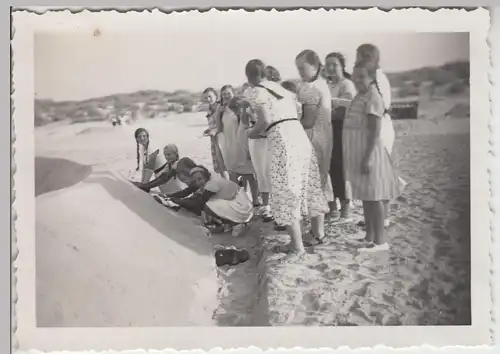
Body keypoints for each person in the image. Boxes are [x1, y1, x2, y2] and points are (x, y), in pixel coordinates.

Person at [244, 59, 329, 258]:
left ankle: (296, 245)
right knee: (309, 184)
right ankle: (318, 233)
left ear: (250, 77)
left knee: (287, 187)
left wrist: (251, 133)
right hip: (298, 134)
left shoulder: (257, 91)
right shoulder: (284, 90)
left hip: (282, 138)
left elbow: (264, 120)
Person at [342, 60, 403, 252]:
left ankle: (380, 241)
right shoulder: (360, 95)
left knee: (375, 197)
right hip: (358, 151)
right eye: (355, 76)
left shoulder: (373, 96)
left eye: (362, 76)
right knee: (366, 197)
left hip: (370, 153)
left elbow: (375, 130)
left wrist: (368, 157)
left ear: (371, 77)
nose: (358, 80)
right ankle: (369, 236)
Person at [356, 43, 407, 227]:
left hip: (379, 125)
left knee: (379, 173)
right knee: (379, 173)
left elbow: (379, 105)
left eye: (360, 55)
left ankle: (382, 218)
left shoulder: (376, 76)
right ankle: (380, 218)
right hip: (380, 123)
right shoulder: (377, 75)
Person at [295, 50, 334, 212]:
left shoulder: (310, 88)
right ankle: (329, 209)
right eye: (298, 69)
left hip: (314, 137)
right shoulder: (322, 84)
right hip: (324, 134)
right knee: (322, 175)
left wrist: (291, 124)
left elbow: (308, 121)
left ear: (315, 66)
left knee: (313, 178)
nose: (300, 72)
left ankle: (318, 220)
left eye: (302, 68)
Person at [168, 166, 254, 237]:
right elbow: (187, 191)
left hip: (242, 209)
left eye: (199, 179)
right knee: (203, 201)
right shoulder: (209, 179)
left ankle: (234, 223)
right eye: (195, 181)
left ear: (205, 176)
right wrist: (170, 197)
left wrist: (177, 201)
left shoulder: (212, 184)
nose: (198, 182)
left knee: (206, 205)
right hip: (244, 205)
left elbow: (199, 204)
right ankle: (230, 223)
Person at [324, 52, 357, 221]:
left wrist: (324, 112)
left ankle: (345, 209)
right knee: (329, 169)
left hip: (342, 130)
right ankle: (333, 207)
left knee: (341, 169)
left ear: (342, 65)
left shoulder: (347, 84)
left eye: (334, 64)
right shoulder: (327, 85)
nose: (330, 67)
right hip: (328, 130)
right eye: (327, 64)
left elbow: (343, 111)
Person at [219, 85, 260, 207]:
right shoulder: (226, 110)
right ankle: (241, 199)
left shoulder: (244, 113)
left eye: (228, 93)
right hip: (234, 146)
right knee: (236, 174)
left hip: (244, 147)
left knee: (249, 176)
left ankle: (255, 200)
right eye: (224, 94)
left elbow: (250, 128)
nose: (226, 96)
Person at [202, 87, 230, 180]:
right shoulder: (210, 109)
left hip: (223, 138)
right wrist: (209, 130)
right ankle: (227, 185)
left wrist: (214, 130)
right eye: (206, 98)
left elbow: (226, 123)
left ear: (216, 96)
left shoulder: (220, 107)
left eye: (210, 96)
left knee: (226, 164)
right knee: (219, 166)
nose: (208, 99)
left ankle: (232, 187)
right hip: (214, 139)